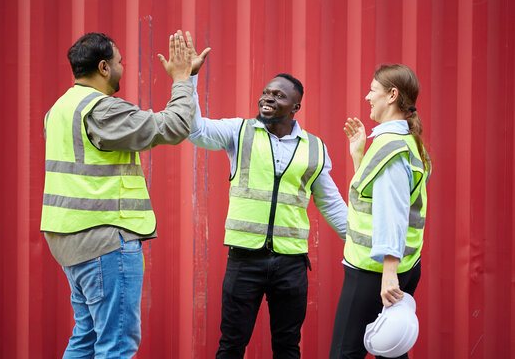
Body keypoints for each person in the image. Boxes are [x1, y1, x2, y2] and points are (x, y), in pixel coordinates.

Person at [40, 31, 209, 358]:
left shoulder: (60, 108)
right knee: (116, 346)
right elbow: (172, 126)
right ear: (104, 67)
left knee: (86, 337)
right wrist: (182, 79)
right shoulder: (101, 111)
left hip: (70, 239)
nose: (122, 67)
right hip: (103, 240)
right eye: (119, 62)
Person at [187, 46, 347, 358]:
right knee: (231, 345)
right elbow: (195, 130)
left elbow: (331, 204)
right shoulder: (239, 131)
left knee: (287, 347)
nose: (268, 99)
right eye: (265, 92)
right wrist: (191, 78)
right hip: (244, 261)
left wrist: (361, 244)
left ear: (295, 106)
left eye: (278, 95)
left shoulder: (315, 147)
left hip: (291, 264)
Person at [329, 64, 431, 359]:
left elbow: (393, 213)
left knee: (343, 354)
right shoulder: (406, 142)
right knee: (391, 351)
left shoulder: (390, 147)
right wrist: (359, 154)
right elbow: (381, 199)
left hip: (373, 272)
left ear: (392, 95)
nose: (367, 97)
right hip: (403, 266)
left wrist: (389, 274)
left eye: (373, 90)